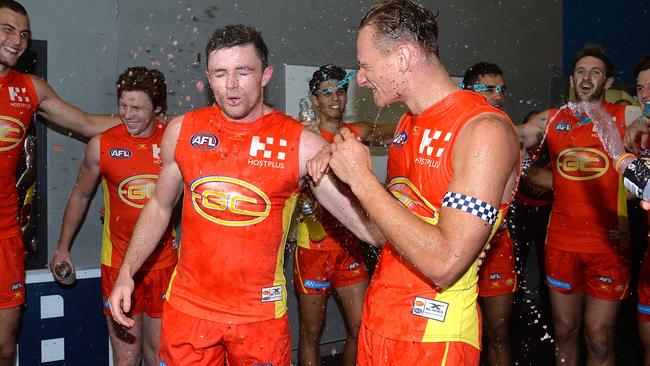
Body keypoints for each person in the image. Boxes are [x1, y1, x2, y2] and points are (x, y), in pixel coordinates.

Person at [108, 24, 383, 366]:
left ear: (265, 75)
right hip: (189, 313)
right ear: (208, 78)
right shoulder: (183, 131)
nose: (232, 84)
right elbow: (160, 207)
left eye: (243, 71)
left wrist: (364, 180)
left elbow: (366, 227)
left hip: (259, 320)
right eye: (221, 73)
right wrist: (126, 272)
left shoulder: (300, 144)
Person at [308, 1, 520, 364]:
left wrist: (361, 178)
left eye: (365, 65)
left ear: (403, 58)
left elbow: (444, 261)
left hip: (433, 339)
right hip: (380, 325)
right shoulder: (408, 125)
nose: (360, 78)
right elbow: (380, 231)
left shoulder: (484, 130)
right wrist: (319, 179)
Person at [0, 1, 119, 364]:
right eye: (7, 29)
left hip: (5, 235)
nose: (17, 41)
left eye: (23, 34)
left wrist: (164, 123)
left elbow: (84, 122)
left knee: (4, 347)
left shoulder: (29, 88)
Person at [517, 44, 640, 366]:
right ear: (572, 79)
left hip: (609, 248)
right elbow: (517, 135)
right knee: (566, 333)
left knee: (599, 340)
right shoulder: (554, 117)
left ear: (609, 82)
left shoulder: (626, 116)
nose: (587, 77)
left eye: (596, 72)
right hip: (561, 244)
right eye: (581, 71)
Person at [49, 67, 176, 366]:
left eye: (137, 108)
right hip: (118, 265)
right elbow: (80, 195)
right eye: (123, 105)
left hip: (164, 266)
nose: (128, 114)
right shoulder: (102, 144)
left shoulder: (174, 143)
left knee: (158, 353)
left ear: (157, 109)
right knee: (126, 356)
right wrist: (63, 246)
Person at [294, 64, 383, 366]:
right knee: (310, 334)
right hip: (313, 247)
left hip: (350, 244)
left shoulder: (356, 133)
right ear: (315, 100)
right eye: (326, 92)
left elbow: (405, 130)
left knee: (360, 328)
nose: (335, 97)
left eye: (340, 90)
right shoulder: (302, 135)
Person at [462, 61, 516, 366]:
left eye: (502, 89)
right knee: (460, 331)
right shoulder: (454, 133)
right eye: (489, 88)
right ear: (469, 91)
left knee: (498, 333)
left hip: (497, 246)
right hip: (455, 245)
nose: (498, 95)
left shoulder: (507, 131)